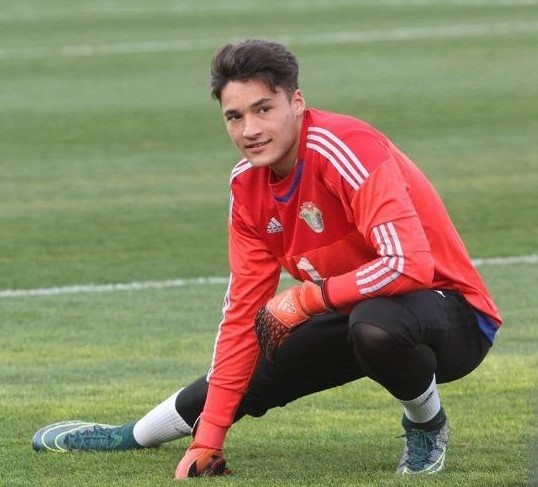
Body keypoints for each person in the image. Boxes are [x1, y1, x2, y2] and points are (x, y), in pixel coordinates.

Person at [32, 39, 502, 478]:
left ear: (296, 103)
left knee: (375, 324)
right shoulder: (247, 187)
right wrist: (209, 440)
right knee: (250, 368)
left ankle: (426, 424)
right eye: (234, 117)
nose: (250, 130)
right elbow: (241, 316)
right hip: (351, 308)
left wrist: (307, 299)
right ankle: (132, 435)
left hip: (452, 316)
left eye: (263, 109)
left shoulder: (345, 147)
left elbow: (408, 264)